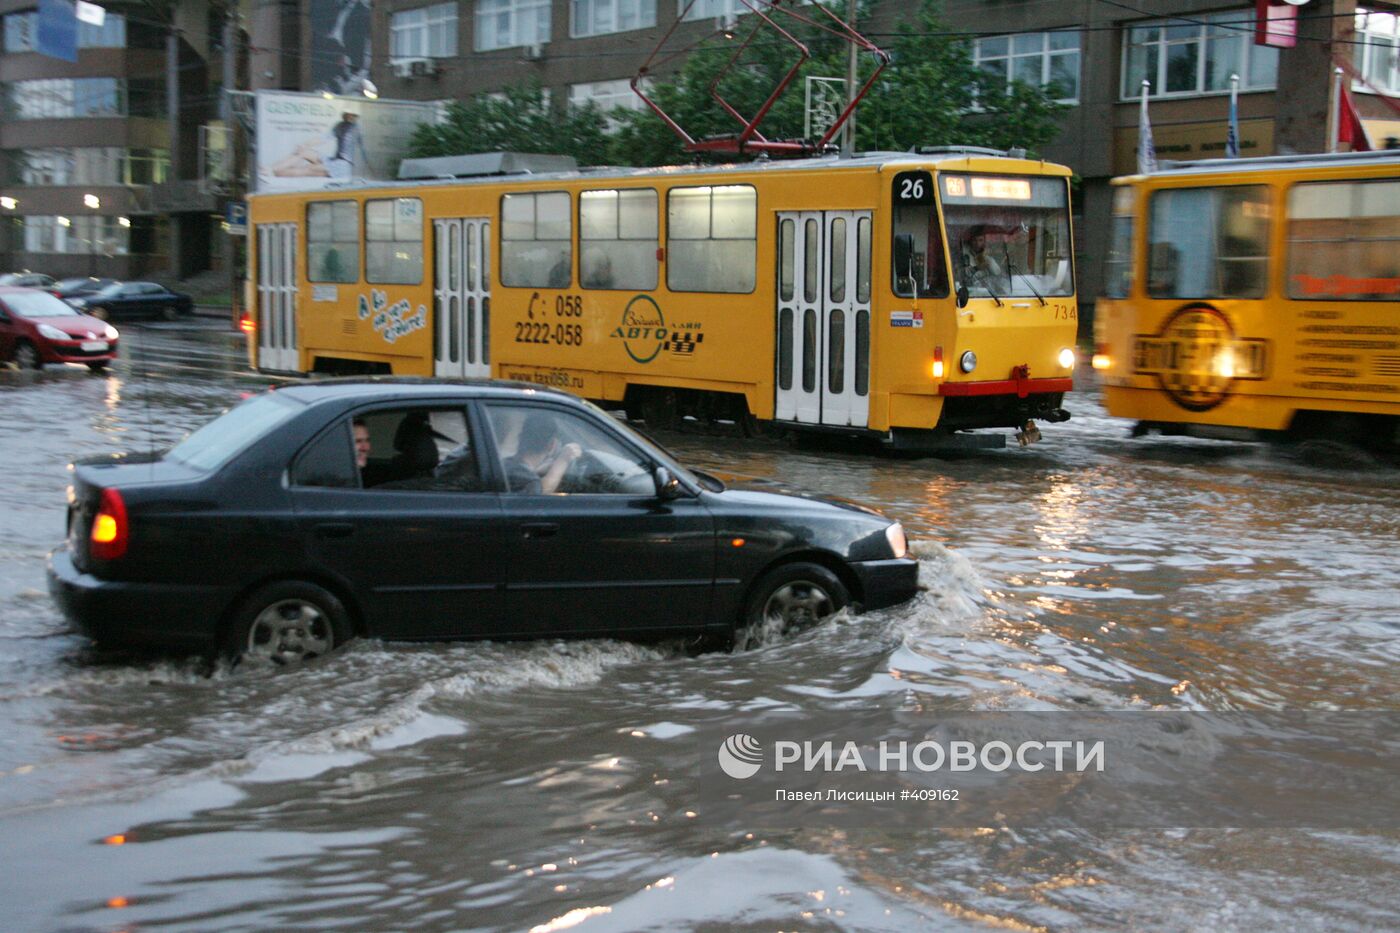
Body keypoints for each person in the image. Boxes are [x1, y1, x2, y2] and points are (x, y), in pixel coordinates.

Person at [502, 413, 582, 494]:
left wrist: (536, 471)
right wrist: (563, 460)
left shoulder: (504, 464)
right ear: (552, 445)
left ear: (520, 437)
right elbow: (542, 490)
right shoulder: (530, 482)